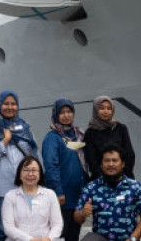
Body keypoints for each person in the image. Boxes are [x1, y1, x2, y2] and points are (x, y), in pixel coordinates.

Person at [0, 91, 39, 241]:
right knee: (2, 231)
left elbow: (34, 156)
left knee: (25, 229)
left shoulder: (25, 128)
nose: (10, 107)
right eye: (6, 103)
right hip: (1, 189)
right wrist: (5, 141)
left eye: (13, 104)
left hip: (24, 187)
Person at [74, 144, 141, 241]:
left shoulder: (135, 187)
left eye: (115, 160)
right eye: (107, 161)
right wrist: (83, 213)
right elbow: (77, 217)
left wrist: (133, 238)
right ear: (101, 164)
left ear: (122, 164)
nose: (111, 164)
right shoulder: (91, 187)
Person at [41, 98, 89, 241]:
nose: (66, 115)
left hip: (77, 195)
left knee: (74, 234)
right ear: (56, 115)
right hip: (61, 197)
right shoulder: (52, 138)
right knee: (59, 234)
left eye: (69, 111)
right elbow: (51, 167)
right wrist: (58, 191)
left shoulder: (79, 134)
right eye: (62, 112)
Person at [2, 156, 63, 241]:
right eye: (26, 170)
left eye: (34, 170)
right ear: (19, 174)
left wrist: (49, 238)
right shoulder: (10, 196)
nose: (30, 174)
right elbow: (8, 227)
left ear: (40, 174)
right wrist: (29, 239)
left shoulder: (50, 194)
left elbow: (57, 224)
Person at [83, 96, 136, 181]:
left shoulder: (120, 128)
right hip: (100, 181)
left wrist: (120, 177)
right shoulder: (90, 133)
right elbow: (92, 161)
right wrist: (107, 180)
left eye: (109, 108)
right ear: (96, 109)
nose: (105, 111)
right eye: (102, 108)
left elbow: (130, 155)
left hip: (124, 178)